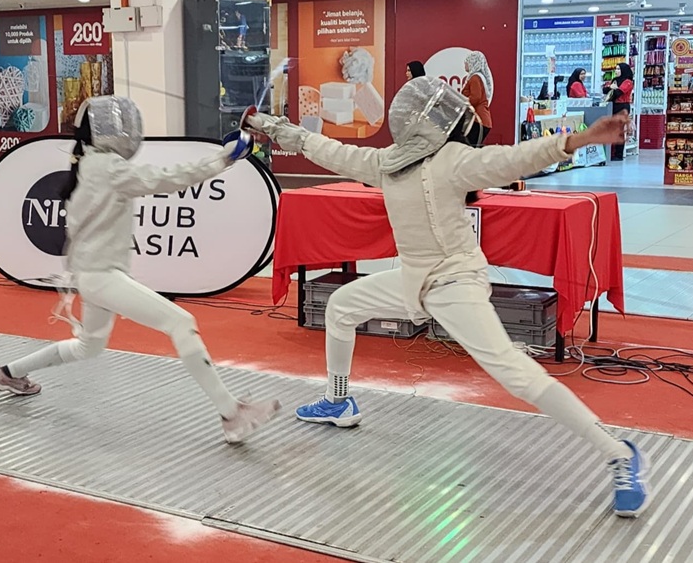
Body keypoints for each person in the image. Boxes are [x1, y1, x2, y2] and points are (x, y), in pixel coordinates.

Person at [244, 77, 649, 517]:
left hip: (456, 282)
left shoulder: (454, 160)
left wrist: (579, 139)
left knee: (516, 374)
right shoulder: (388, 163)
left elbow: (510, 159)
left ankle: (619, 453)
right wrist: (273, 126)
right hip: (414, 279)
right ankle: (339, 399)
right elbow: (328, 150)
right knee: (342, 306)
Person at [0, 95, 280, 444]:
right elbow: (167, 178)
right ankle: (232, 414)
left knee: (88, 347)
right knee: (180, 322)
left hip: (94, 274)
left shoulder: (92, 163)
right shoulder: (106, 167)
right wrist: (224, 159)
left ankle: (7, 373)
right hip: (101, 276)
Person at [461, 52, 493, 147]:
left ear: (472, 63)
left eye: (467, 62)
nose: (465, 64)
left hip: (478, 120)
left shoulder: (475, 78)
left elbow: (476, 97)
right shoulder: (479, 77)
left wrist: (462, 103)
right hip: (482, 119)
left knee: (469, 148)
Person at [605, 63, 634, 161]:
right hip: (613, 106)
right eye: (616, 69)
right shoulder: (614, 80)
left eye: (618, 69)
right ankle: (611, 152)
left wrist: (613, 88)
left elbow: (618, 93)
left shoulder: (628, 82)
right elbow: (605, 90)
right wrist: (611, 88)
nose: (616, 71)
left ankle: (618, 154)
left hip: (623, 106)